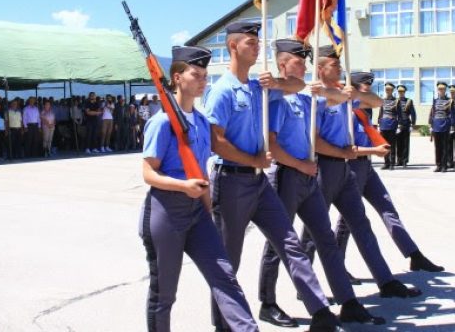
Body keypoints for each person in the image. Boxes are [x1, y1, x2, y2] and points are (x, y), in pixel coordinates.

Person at [204, 21, 342, 331]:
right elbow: (217, 141)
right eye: (250, 42)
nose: (256, 46)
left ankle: (320, 312)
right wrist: (252, 158)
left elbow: (296, 86)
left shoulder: (259, 87)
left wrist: (276, 84)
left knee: (289, 242)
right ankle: (223, 326)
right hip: (231, 182)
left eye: (257, 42)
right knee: (228, 262)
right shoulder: (222, 90)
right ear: (233, 47)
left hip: (258, 182)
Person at [257, 41, 385, 328]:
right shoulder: (277, 100)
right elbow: (272, 146)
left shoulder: (306, 99)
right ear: (283, 66)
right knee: (280, 242)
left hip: (308, 176)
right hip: (287, 175)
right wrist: (301, 165)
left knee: (324, 238)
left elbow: (347, 99)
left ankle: (348, 302)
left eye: (306, 63)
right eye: (299, 63)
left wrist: (339, 92)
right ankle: (268, 301)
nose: (305, 68)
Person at [139, 46, 259, 331]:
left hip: (198, 213)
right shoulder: (162, 123)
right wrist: (183, 185)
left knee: (225, 278)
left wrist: (206, 209)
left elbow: (202, 171)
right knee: (164, 294)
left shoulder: (203, 122)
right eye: (196, 74)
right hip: (166, 212)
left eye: (206, 76)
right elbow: (147, 172)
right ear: (177, 78)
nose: (203, 81)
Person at [302, 45, 422, 300]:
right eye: (335, 66)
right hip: (323, 168)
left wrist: (352, 92)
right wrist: (345, 153)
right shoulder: (314, 99)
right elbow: (314, 141)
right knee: (313, 232)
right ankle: (306, 288)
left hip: (344, 169)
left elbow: (378, 102)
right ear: (321, 68)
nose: (341, 69)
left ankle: (386, 281)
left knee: (361, 225)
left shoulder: (345, 94)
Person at [337, 72, 443, 275]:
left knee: (388, 208)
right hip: (352, 166)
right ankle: (338, 265)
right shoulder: (346, 110)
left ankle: (414, 255)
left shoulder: (363, 110)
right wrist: (372, 151)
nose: (369, 90)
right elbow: (344, 147)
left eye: (370, 87)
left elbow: (376, 108)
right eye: (364, 87)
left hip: (366, 167)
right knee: (347, 221)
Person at [429, 82, 454, 172]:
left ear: (445, 90)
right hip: (436, 125)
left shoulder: (449, 101)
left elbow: (452, 114)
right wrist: (431, 125)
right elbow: (432, 113)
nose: (441, 91)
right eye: (439, 89)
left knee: (445, 147)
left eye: (442, 89)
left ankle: (444, 166)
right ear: (437, 90)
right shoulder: (435, 101)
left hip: (445, 125)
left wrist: (451, 126)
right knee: (437, 147)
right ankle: (438, 165)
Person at [377, 82, 399, 170]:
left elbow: (399, 114)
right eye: (386, 89)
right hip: (384, 125)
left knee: (392, 145)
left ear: (392, 90)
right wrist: (379, 123)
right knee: (384, 145)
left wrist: (399, 126)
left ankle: (392, 163)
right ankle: (386, 163)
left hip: (392, 124)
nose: (388, 91)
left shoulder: (396, 101)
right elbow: (381, 112)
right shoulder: (382, 100)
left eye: (389, 90)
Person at [396, 85, 415, 167]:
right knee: (398, 143)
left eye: (402, 92)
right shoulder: (395, 101)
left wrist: (412, 124)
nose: (401, 93)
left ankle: (404, 161)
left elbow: (413, 113)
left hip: (406, 124)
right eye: (399, 92)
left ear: (404, 92)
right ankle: (399, 160)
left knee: (405, 143)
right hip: (397, 125)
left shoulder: (409, 101)